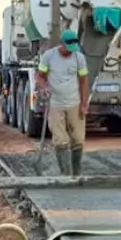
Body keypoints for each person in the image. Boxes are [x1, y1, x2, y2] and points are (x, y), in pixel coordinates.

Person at [36, 29, 89, 177]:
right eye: (68, 48)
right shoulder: (49, 56)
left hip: (74, 103)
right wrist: (44, 87)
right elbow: (40, 77)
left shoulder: (79, 58)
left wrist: (84, 104)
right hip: (55, 104)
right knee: (60, 140)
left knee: (78, 139)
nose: (70, 52)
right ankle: (66, 174)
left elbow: (84, 81)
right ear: (61, 44)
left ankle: (76, 173)